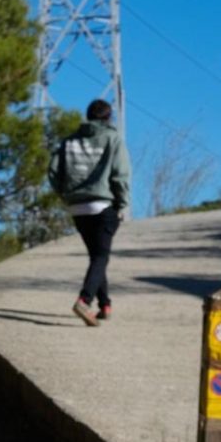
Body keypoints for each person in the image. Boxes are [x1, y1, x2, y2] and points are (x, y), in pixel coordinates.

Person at [48, 99, 130, 326]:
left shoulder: (69, 141)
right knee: (101, 257)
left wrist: (65, 195)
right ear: (108, 117)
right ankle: (84, 301)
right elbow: (120, 175)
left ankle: (105, 305)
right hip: (103, 206)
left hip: (77, 208)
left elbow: (53, 172)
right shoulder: (113, 139)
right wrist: (122, 205)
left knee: (97, 256)